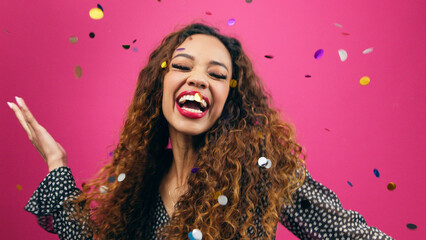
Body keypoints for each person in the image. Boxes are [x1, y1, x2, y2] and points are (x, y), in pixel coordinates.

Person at [8, 22, 394, 240]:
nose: (198, 80)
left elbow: (348, 233)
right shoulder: (142, 185)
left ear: (230, 98)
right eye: (183, 66)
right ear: (160, 86)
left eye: (217, 74)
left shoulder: (262, 172)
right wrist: (57, 164)